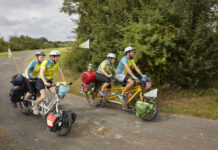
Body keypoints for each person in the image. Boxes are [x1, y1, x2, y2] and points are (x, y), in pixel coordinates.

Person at [32, 50, 66, 115]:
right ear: (51, 57)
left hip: (49, 80)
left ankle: (52, 108)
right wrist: (44, 82)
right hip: (41, 79)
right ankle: (35, 106)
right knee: (43, 96)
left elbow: (61, 73)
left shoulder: (58, 63)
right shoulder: (46, 62)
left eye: (58, 57)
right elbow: (41, 73)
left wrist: (64, 82)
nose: (57, 58)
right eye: (56, 57)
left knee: (56, 95)